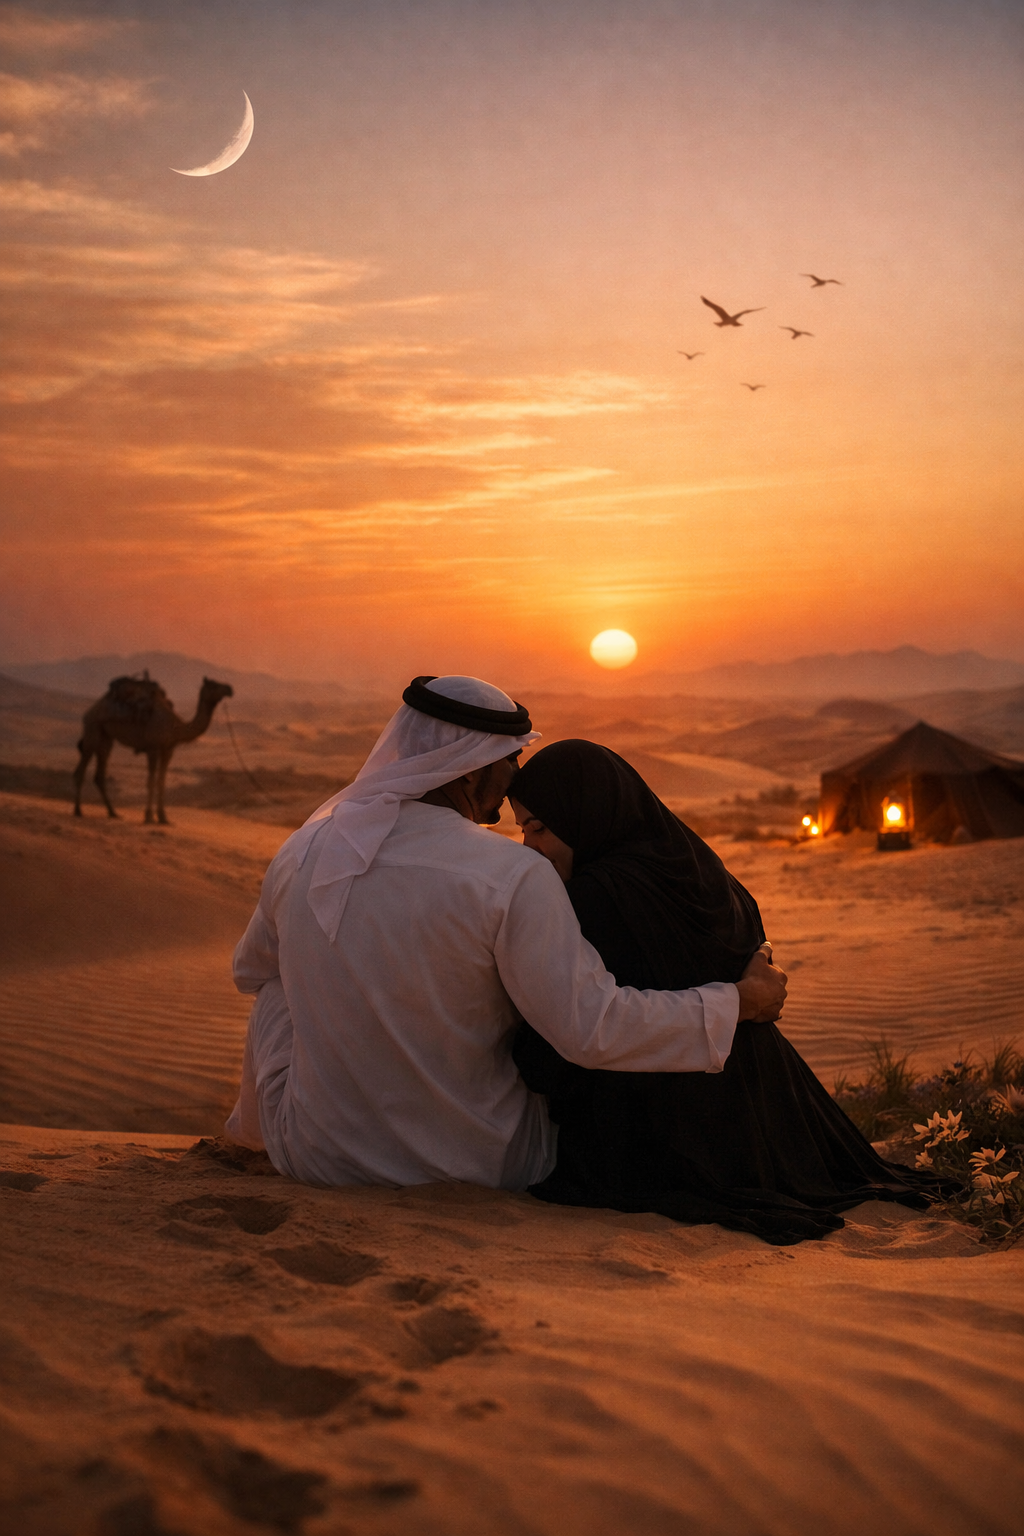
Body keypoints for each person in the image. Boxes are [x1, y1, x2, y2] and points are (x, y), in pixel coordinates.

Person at [227, 676, 786, 1190]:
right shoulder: (513, 873)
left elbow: (250, 970)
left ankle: (250, 1139)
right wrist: (737, 1002)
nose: (517, 776)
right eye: (510, 758)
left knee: (275, 988)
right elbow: (592, 1028)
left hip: (319, 1159)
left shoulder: (302, 851)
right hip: (480, 1164)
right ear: (470, 770)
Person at [509, 739, 954, 1245]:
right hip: (766, 1117)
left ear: (584, 812)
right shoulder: (689, 858)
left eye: (539, 828)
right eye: (522, 830)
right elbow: (747, 940)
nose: (529, 848)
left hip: (678, 1134)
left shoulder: (597, 894)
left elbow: (567, 1043)